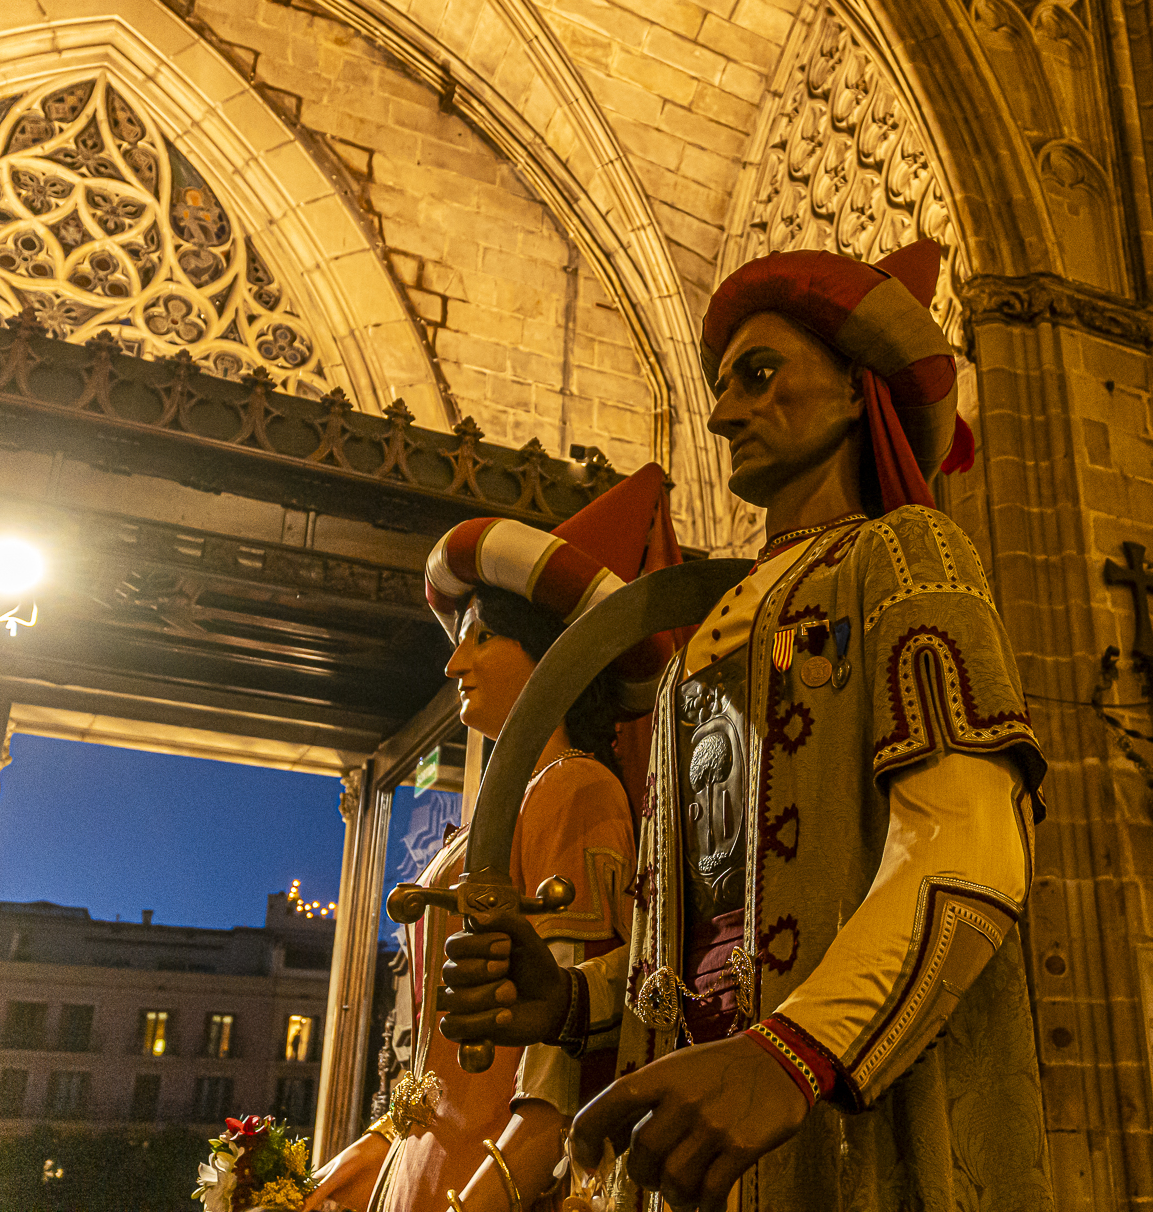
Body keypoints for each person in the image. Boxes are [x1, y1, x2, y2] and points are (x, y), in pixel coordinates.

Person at [439, 241, 1054, 1211]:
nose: (724, 414)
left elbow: (969, 848)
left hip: (830, 1107)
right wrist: (569, 1001)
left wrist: (792, 1055)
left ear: (858, 391)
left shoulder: (906, 554)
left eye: (759, 375)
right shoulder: (695, 645)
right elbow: (688, 932)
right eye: (722, 387)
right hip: (697, 1129)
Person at [303, 464, 682, 1212]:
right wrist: (318, 1189)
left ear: (555, 656)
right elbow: (432, 1085)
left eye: (482, 636)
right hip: (431, 1177)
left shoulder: (575, 788)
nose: (454, 662)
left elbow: (558, 1078)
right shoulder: (501, 814)